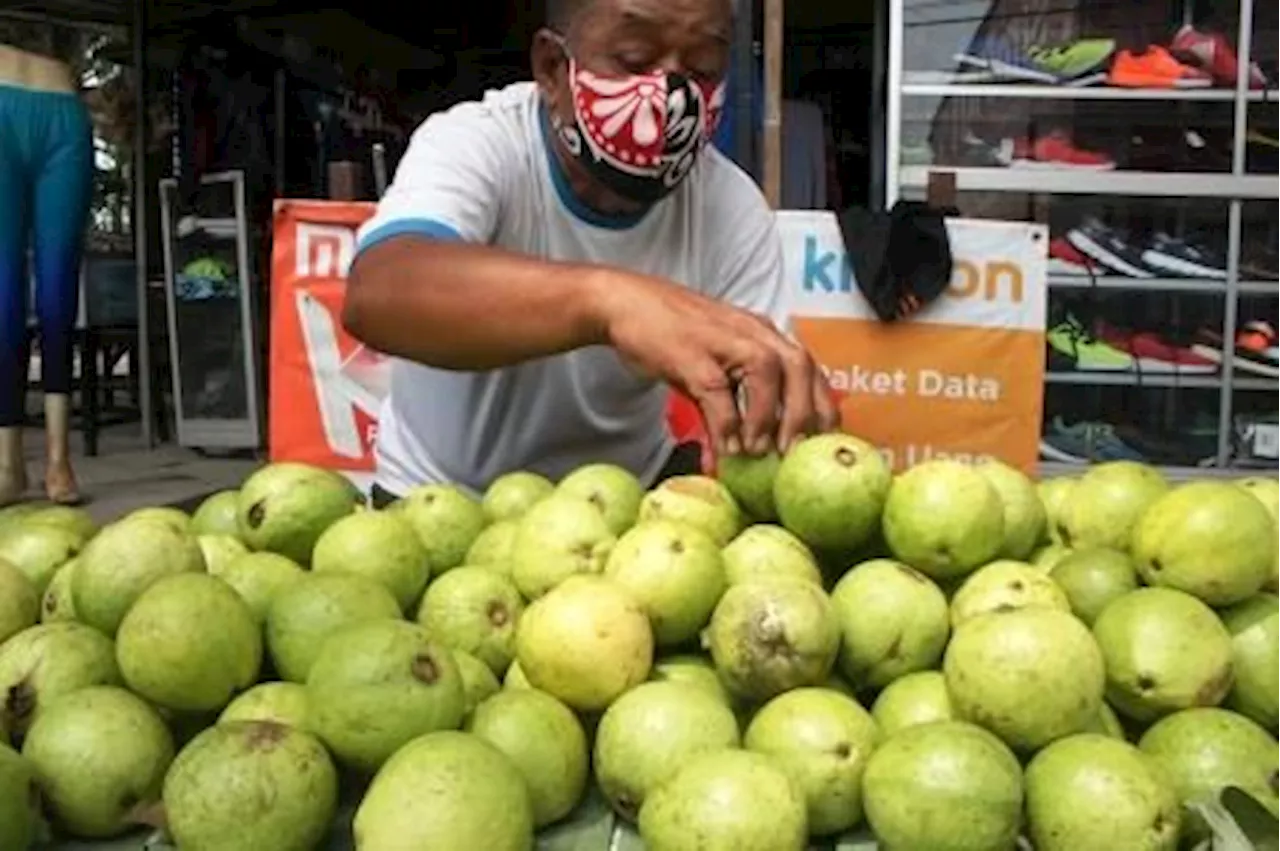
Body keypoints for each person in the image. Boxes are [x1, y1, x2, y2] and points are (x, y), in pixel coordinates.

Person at [345, 0, 837, 503]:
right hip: (441, 505)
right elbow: (380, 291)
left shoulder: (728, 205)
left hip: (625, 514)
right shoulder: (478, 144)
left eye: (701, 67)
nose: (668, 93)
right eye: (634, 57)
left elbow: (762, 398)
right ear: (552, 68)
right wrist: (609, 302)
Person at [0, 36, 93, 506]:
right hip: (41, 108)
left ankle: (52, 461)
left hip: (59, 113)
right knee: (10, 296)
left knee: (52, 292)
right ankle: (15, 463)